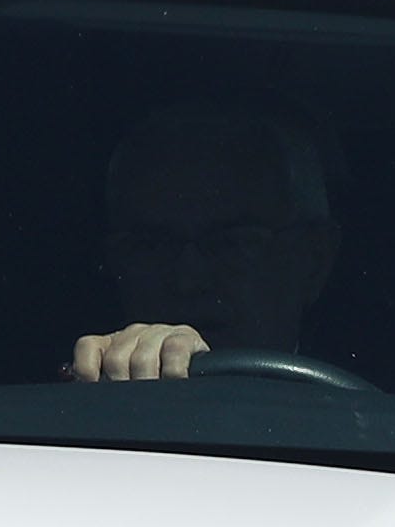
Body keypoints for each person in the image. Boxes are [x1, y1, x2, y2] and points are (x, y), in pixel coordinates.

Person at [69, 106, 340, 384]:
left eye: (233, 243)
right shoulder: (76, 412)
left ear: (314, 261)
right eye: (152, 246)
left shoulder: (372, 413)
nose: (187, 280)